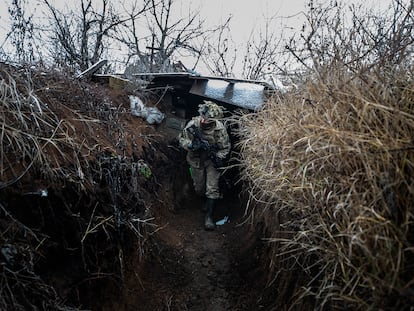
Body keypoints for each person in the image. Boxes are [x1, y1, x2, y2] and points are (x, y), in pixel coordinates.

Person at [178, 101, 231, 230]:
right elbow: (181, 139)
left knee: (212, 188)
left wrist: (217, 157)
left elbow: (225, 148)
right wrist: (191, 145)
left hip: (212, 161)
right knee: (199, 188)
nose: (204, 121)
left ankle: (209, 216)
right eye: (203, 118)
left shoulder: (220, 129)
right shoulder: (193, 125)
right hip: (196, 160)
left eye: (208, 120)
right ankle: (205, 202)